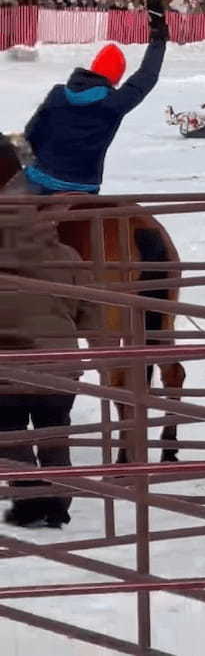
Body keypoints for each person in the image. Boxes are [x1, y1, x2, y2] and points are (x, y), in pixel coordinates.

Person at [8, 0, 169, 196]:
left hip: (40, 182)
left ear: (92, 68)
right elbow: (147, 75)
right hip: (84, 188)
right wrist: (158, 36)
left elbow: (32, 133)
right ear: (115, 80)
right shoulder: (115, 103)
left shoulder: (58, 95)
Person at [0, 206, 100, 528]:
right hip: (60, 366)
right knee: (55, 431)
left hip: (9, 368)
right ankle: (58, 502)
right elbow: (89, 309)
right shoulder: (67, 255)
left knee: (9, 431)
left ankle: (32, 495)